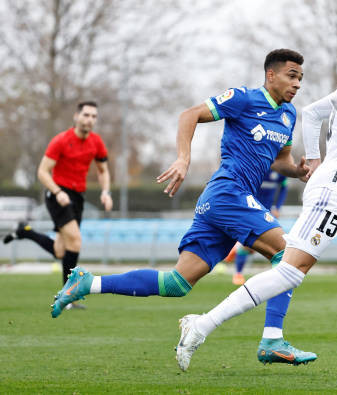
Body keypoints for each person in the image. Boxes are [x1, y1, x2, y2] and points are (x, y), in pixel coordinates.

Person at [174, 30, 337, 372]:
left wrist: (312, 159)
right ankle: (202, 324)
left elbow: (312, 112)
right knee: (290, 271)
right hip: (335, 193)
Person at [49, 49, 317, 365]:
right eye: (291, 75)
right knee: (288, 255)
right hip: (228, 193)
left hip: (225, 203)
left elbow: (280, 160)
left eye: (300, 77)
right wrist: (183, 158)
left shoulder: (288, 115)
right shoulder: (243, 98)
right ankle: (272, 339)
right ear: (271, 75)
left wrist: (297, 171)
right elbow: (189, 115)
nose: (297, 84)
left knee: (176, 283)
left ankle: (88, 283)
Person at [3, 101, 113, 310]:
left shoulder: (96, 142)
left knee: (61, 251)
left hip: (77, 197)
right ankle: (68, 296)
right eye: (86, 115)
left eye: (94, 116)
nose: (90, 120)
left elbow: (102, 170)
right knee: (76, 240)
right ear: (76, 116)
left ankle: (25, 232)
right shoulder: (61, 140)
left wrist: (106, 192)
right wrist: (58, 192)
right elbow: (42, 172)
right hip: (57, 194)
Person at [231, 169, 288, 286]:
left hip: (268, 212)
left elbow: (284, 187)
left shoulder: (280, 170)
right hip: (253, 210)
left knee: (270, 244)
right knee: (252, 245)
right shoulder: (258, 168)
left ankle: (237, 251)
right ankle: (238, 273)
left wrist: (277, 207)